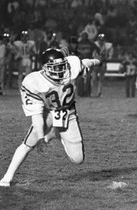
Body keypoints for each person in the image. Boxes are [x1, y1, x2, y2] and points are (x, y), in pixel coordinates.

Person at [0, 49, 101, 187]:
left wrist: (97, 61)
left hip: (68, 113)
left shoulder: (72, 65)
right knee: (28, 143)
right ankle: (7, 177)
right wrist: (41, 137)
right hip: (46, 114)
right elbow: (36, 116)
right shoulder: (33, 81)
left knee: (78, 159)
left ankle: (56, 133)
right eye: (56, 67)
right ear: (45, 68)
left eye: (62, 66)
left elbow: (85, 63)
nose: (60, 70)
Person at [76, 32, 98, 97]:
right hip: (81, 62)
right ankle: (81, 93)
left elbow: (97, 49)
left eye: (85, 36)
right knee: (80, 78)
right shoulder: (79, 43)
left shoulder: (90, 43)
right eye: (83, 36)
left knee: (88, 78)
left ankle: (87, 93)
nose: (84, 37)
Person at [92, 33, 113, 98]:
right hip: (96, 62)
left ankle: (99, 92)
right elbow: (93, 54)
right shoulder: (95, 45)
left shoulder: (107, 46)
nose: (101, 41)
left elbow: (110, 54)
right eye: (100, 40)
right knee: (94, 78)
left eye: (102, 40)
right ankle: (91, 92)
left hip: (103, 62)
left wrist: (108, 58)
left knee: (101, 79)